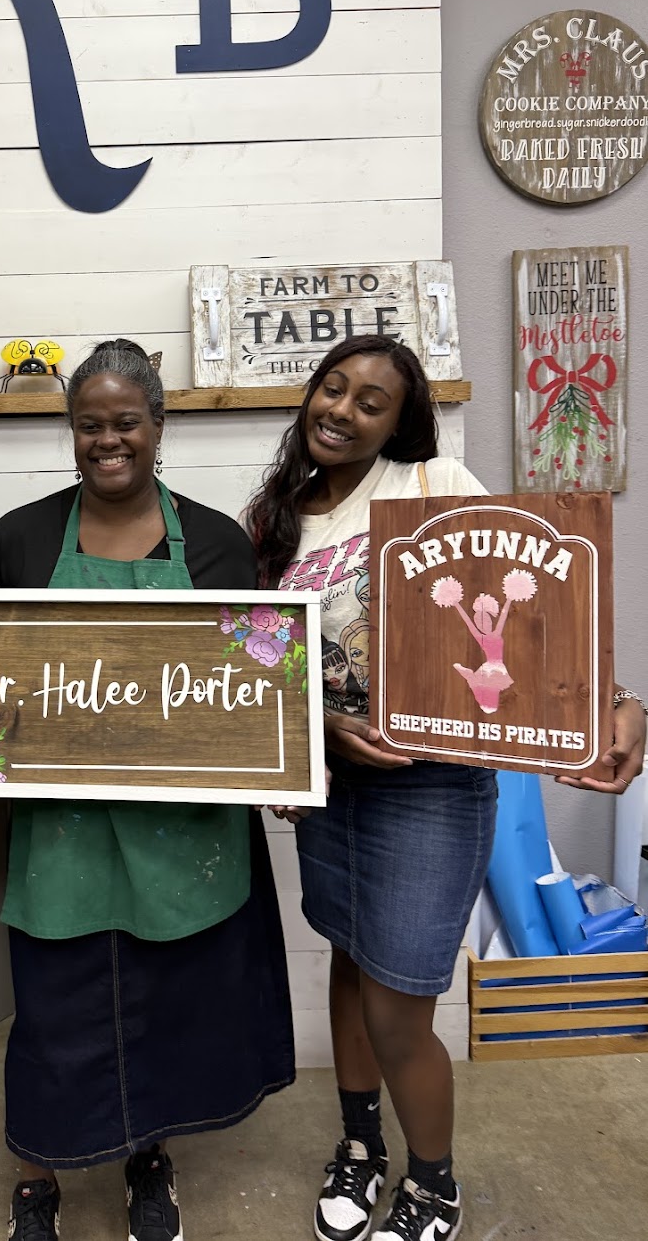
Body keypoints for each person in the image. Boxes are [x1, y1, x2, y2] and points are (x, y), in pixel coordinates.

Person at [245, 333, 646, 1241]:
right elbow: (263, 657)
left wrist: (621, 702)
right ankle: (360, 1145)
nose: (341, 411)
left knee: (398, 1003)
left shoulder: (434, 486)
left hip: (431, 788)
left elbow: (536, 615)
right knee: (350, 957)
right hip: (333, 786)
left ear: (400, 423)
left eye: (370, 402)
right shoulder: (275, 518)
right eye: (332, 388)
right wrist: (306, 736)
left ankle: (434, 1186)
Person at [0, 338, 296, 1241]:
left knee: (161, 1008)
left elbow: (257, 680)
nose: (107, 440)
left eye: (126, 422)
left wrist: (284, 758)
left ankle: (148, 1164)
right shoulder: (22, 538)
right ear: (70, 430)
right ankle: (36, 1182)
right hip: (63, 833)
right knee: (53, 1014)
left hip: (179, 833)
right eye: (89, 425)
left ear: (158, 425)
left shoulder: (219, 542)